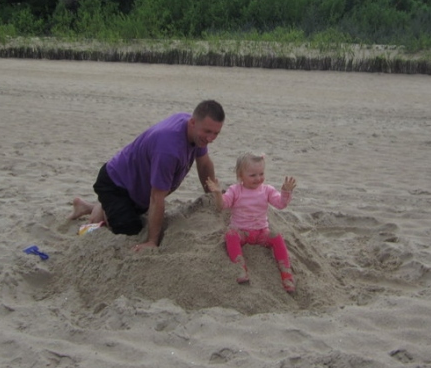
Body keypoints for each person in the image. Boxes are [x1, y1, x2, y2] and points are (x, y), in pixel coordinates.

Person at [69, 100, 225, 252]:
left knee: (135, 212)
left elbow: (204, 163)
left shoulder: (195, 133)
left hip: (138, 189)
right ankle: (102, 207)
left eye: (216, 133)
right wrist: (152, 241)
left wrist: (211, 196)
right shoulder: (168, 150)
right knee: (130, 230)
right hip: (115, 183)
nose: (211, 138)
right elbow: (156, 198)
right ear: (192, 122)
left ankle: (88, 206)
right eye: (207, 131)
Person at [207, 153, 297, 293]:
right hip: (241, 231)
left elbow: (280, 204)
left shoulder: (267, 190)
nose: (258, 178)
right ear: (240, 175)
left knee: (277, 236)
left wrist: (286, 192)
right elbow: (222, 205)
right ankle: (240, 268)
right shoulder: (235, 190)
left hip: (261, 232)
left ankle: (286, 273)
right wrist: (218, 194)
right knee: (230, 235)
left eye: (261, 174)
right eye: (253, 175)